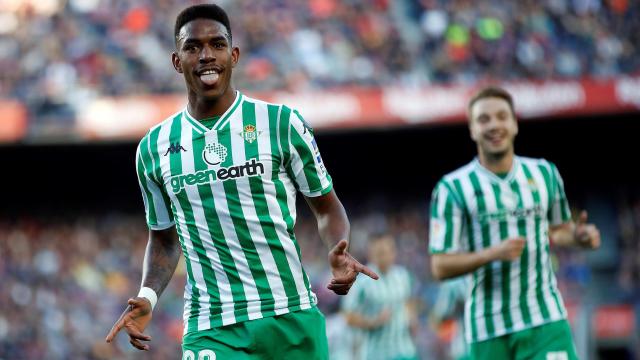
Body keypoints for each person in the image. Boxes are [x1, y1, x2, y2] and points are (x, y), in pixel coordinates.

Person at [105, 4, 378, 359]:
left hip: (290, 314)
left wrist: (337, 246)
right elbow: (163, 238)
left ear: (233, 55)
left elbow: (327, 208)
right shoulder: (154, 149)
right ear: (177, 61)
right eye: (192, 47)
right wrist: (148, 294)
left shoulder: (281, 123)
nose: (206, 55)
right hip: (212, 327)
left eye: (217, 45)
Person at [428, 86, 601, 360]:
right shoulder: (452, 188)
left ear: (514, 123)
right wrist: (491, 253)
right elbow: (439, 266)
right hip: (488, 328)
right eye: (484, 119)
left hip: (545, 319)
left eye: (501, 116)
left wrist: (577, 237)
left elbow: (558, 230)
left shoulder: (545, 173)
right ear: (472, 130)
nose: (494, 125)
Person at [342, 234, 418, 360]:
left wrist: (412, 318)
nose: (385, 256)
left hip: (405, 350)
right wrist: (373, 322)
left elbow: (408, 301)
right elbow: (348, 316)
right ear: (371, 254)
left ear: (394, 252)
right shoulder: (361, 282)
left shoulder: (403, 275)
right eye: (380, 252)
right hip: (375, 353)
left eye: (388, 251)